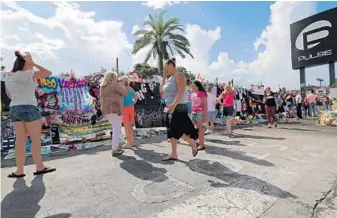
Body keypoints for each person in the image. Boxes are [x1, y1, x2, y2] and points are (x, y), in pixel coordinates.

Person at [5, 51, 56, 178]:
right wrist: (33, 63)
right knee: (35, 139)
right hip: (29, 107)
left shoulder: (8, 76)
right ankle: (39, 167)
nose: (32, 66)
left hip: (14, 108)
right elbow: (48, 73)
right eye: (30, 63)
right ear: (26, 63)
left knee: (20, 141)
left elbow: (9, 95)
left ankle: (19, 170)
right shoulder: (28, 74)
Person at [160, 58, 199, 161]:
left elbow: (181, 91)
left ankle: (192, 143)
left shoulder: (179, 75)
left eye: (165, 67)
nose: (164, 69)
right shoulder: (169, 79)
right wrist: (164, 76)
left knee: (177, 129)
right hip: (170, 107)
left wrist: (173, 104)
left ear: (171, 65)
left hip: (178, 106)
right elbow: (161, 90)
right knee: (172, 131)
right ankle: (174, 154)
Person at [100, 71, 128, 156]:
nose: (117, 78)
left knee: (116, 128)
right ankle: (115, 149)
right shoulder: (115, 85)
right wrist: (120, 84)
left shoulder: (102, 86)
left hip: (106, 110)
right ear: (112, 77)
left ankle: (116, 146)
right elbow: (125, 93)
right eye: (115, 76)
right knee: (117, 129)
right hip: (115, 109)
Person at [119, 76, 138, 149]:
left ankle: (128, 143)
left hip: (125, 108)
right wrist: (133, 103)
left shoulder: (122, 89)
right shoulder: (130, 88)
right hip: (131, 108)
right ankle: (131, 141)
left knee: (126, 127)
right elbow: (136, 96)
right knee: (130, 126)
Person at [190, 80, 208, 150]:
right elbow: (192, 104)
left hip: (200, 112)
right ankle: (195, 142)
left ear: (198, 86)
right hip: (193, 112)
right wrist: (191, 112)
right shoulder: (192, 94)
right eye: (192, 85)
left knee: (200, 129)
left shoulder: (201, 93)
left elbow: (205, 105)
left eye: (193, 85)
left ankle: (201, 144)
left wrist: (205, 116)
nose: (192, 87)